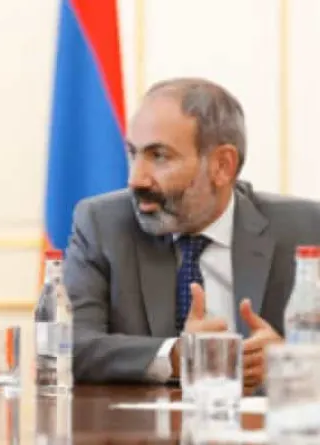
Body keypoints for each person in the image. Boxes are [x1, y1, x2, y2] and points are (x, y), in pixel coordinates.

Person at [65, 77, 320, 393]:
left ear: (222, 166)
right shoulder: (102, 224)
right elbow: (67, 345)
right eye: (133, 154)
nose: (136, 179)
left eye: (159, 156)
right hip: (144, 423)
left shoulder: (307, 230)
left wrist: (290, 360)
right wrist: (176, 356)